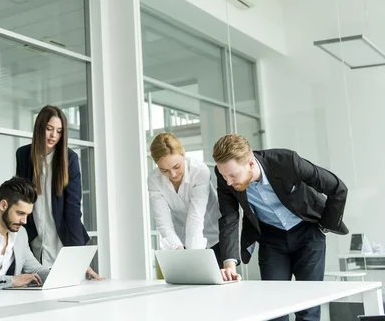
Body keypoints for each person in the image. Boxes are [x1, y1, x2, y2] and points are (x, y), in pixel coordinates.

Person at [212, 134, 348, 321]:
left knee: (308, 308)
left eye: (233, 175)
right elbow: (229, 217)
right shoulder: (224, 176)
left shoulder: (287, 162)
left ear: (250, 164)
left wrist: (324, 227)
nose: (228, 182)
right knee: (274, 309)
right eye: (224, 175)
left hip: (308, 233)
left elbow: (337, 188)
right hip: (271, 239)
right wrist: (229, 264)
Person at [16, 105, 102, 281]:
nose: (53, 135)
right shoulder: (24, 155)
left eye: (59, 131)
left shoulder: (69, 159)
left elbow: (73, 209)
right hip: (34, 246)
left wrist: (79, 257)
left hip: (63, 246)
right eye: (49, 129)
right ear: (40, 127)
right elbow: (20, 200)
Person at [148, 133, 221, 262]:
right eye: (164, 170)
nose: (173, 174)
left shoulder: (199, 171)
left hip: (214, 237)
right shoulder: (154, 179)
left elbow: (196, 217)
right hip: (181, 240)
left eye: (176, 166)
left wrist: (192, 257)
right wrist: (178, 248)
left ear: (183, 154)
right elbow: (163, 221)